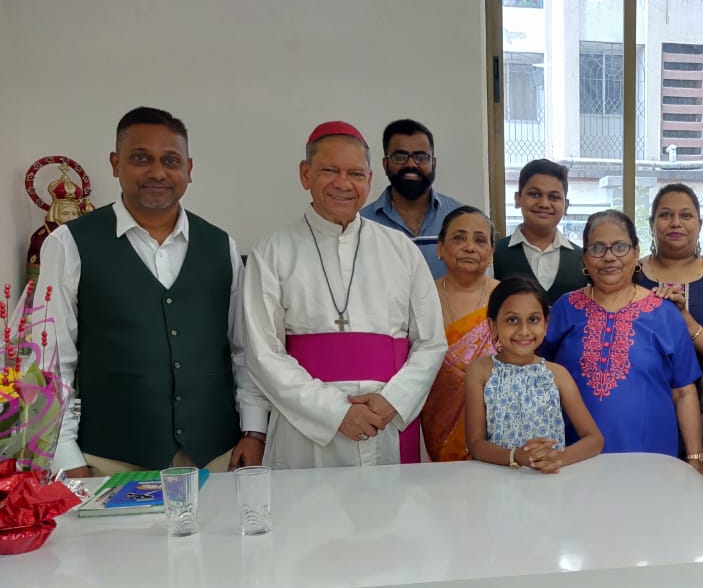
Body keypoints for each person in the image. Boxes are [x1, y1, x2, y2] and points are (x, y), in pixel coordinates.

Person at [38, 106, 269, 477]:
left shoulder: (220, 246)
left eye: (171, 161)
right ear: (116, 163)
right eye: (141, 158)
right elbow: (50, 363)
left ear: (189, 169)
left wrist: (253, 431)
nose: (158, 172)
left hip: (215, 455)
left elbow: (244, 349)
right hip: (111, 460)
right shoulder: (69, 244)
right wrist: (66, 459)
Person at [243, 121, 447, 469]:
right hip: (307, 428)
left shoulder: (400, 249)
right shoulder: (272, 251)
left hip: (388, 420)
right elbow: (264, 354)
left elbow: (431, 342)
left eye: (355, 173)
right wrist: (335, 413)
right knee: (309, 506)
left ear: (369, 179)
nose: (343, 183)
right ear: (305, 174)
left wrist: (393, 402)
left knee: (393, 505)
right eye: (329, 171)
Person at [542, 209, 703, 466]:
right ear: (585, 258)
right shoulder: (565, 308)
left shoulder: (665, 313)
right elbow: (539, 377)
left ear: (636, 253)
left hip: (651, 459)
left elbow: (684, 392)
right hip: (573, 458)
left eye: (620, 247)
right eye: (597, 248)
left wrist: (696, 459)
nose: (609, 257)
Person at [463, 276, 604, 472]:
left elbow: (594, 439)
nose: (524, 330)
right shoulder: (480, 371)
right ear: (493, 326)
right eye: (512, 320)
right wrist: (516, 456)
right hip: (497, 480)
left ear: (545, 325)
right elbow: (475, 444)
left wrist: (557, 458)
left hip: (549, 479)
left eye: (533, 320)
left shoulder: (558, 375)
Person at [421, 207, 499, 461]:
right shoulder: (421, 297)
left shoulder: (509, 298)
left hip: (498, 429)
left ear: (491, 252)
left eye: (480, 240)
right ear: (440, 248)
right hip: (434, 421)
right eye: (458, 238)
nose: (469, 247)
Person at [638, 183, 703, 361]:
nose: (676, 223)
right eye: (665, 215)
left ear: (700, 225)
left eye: (686, 215)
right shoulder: (629, 274)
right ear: (651, 224)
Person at [360, 119, 464, 278]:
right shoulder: (361, 223)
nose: (411, 164)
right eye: (400, 156)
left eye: (421, 157)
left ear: (433, 163)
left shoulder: (460, 217)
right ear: (385, 164)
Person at [492, 159, 587, 303]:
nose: (544, 204)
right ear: (518, 199)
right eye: (535, 194)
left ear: (566, 206)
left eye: (554, 197)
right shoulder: (494, 254)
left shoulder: (583, 259)